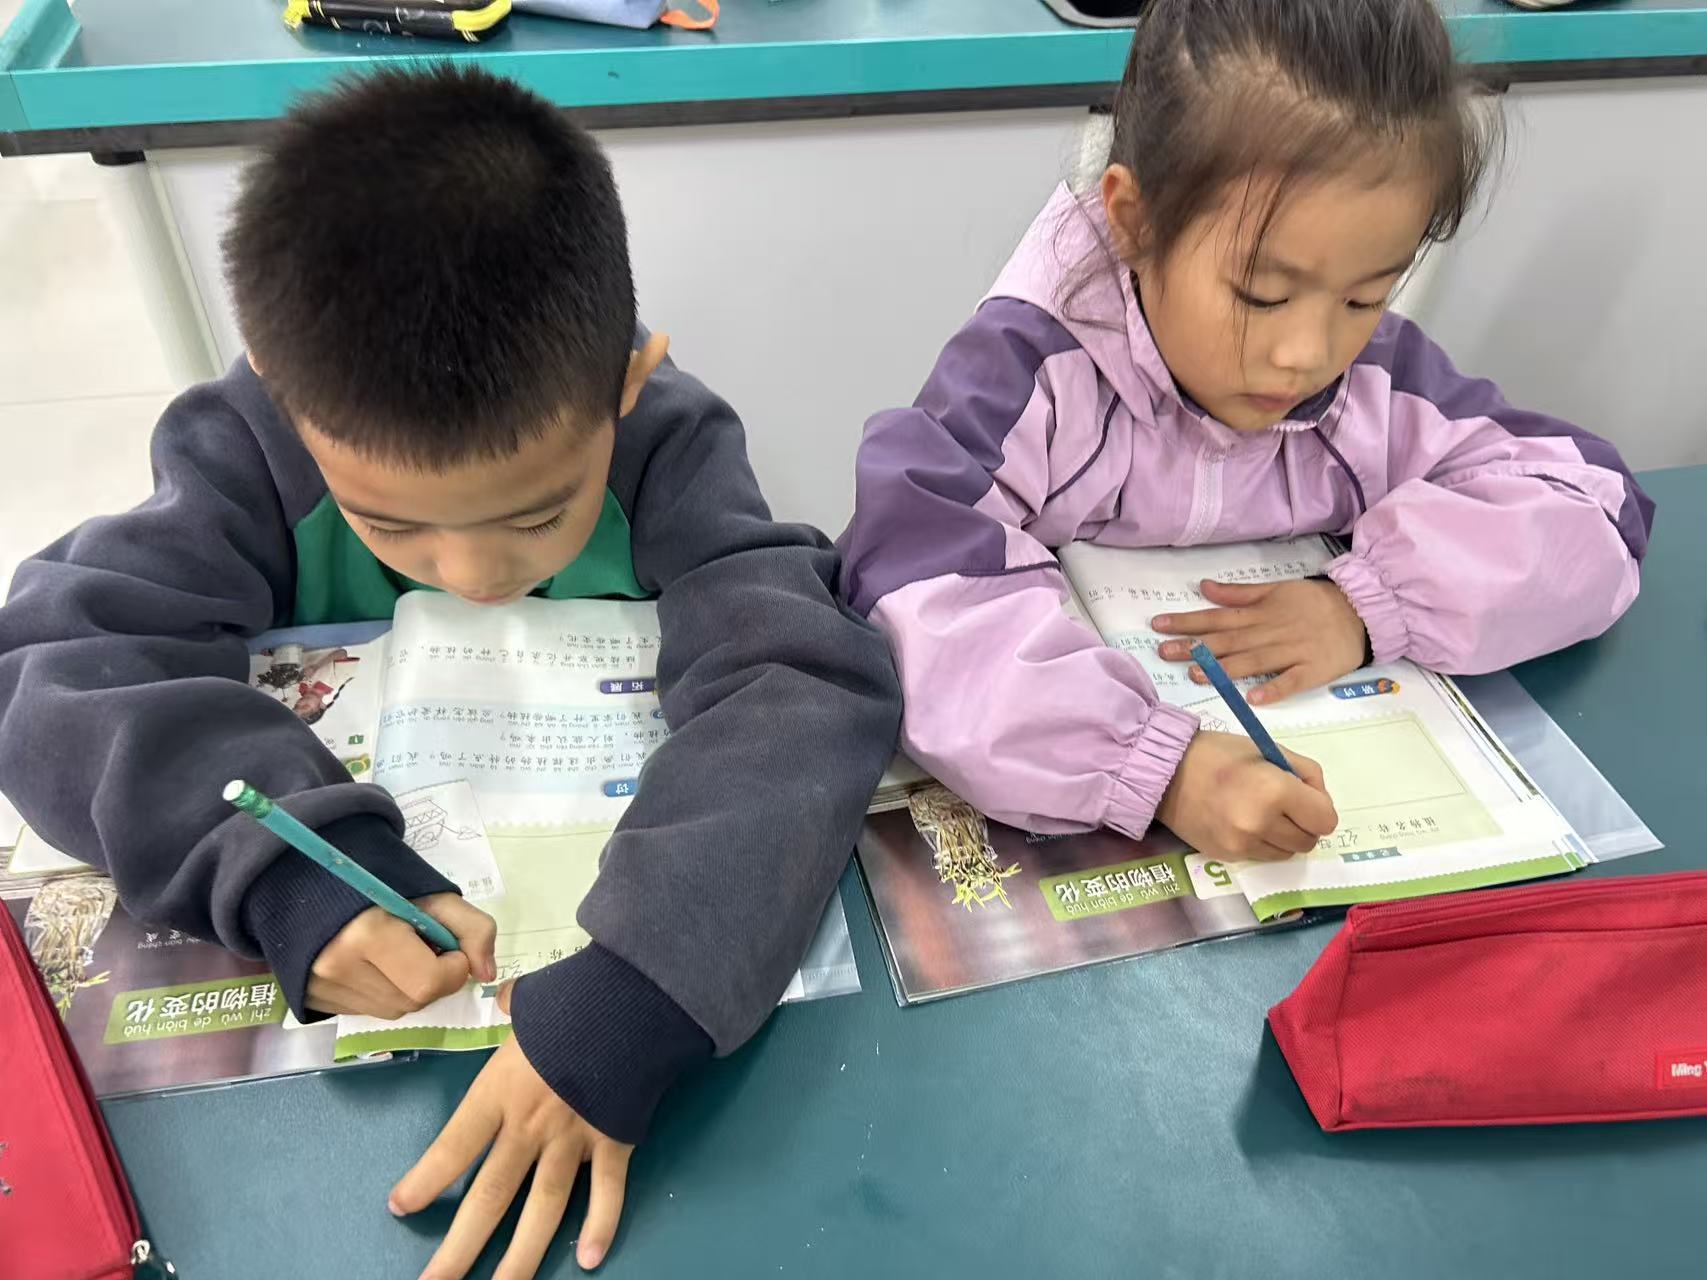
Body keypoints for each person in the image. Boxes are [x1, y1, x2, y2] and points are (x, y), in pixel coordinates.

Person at [0, 66, 900, 1276]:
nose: (474, 573)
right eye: (391, 524)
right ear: (284, 391)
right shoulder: (251, 448)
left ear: (627, 383)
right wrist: (289, 874)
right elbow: (59, 663)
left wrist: (640, 989)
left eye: (538, 515)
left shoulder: (668, 445)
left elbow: (801, 678)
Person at [838, 0, 1651, 867]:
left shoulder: (1376, 380)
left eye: (1363, 297)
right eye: (1262, 295)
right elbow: (911, 590)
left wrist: (1366, 605)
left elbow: (1591, 506)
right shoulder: (1028, 374)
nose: (1307, 353)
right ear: (1135, 222)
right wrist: (1158, 768)